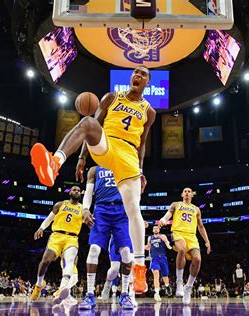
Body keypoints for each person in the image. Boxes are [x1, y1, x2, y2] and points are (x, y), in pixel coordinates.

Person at [30, 66, 156, 294]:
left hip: (128, 155)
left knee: (133, 209)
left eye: (143, 74)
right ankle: (55, 163)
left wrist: (141, 169)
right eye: (135, 72)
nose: (138, 75)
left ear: (148, 82)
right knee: (87, 121)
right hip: (106, 145)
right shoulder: (111, 97)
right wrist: (81, 157)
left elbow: (143, 142)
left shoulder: (150, 111)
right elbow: (93, 125)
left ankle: (139, 267)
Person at [78, 166, 135, 310]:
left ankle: (125, 294)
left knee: (126, 253)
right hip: (101, 210)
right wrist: (85, 209)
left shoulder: (124, 164)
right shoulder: (94, 170)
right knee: (94, 250)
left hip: (122, 210)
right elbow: (89, 193)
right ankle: (90, 294)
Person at [158, 187, 211, 304]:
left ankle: (188, 287)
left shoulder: (196, 209)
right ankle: (179, 282)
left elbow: (201, 227)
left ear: (192, 195)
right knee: (181, 249)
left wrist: (207, 241)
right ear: (182, 194)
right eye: (185, 191)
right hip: (178, 232)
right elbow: (168, 214)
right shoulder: (176, 204)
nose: (187, 192)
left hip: (192, 236)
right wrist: (163, 220)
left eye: (189, 191)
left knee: (197, 259)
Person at [31, 186, 83, 304]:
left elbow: (89, 220)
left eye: (79, 190)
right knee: (45, 261)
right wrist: (41, 228)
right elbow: (49, 219)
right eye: (74, 189)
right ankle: (39, 285)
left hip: (72, 238)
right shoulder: (60, 204)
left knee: (70, 261)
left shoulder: (82, 209)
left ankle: (62, 288)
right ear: (69, 192)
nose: (77, 191)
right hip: (57, 236)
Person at [145, 226, 172, 301]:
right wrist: (139, 246)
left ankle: (167, 286)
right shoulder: (150, 238)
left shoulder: (162, 236)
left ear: (159, 230)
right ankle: (157, 293)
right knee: (156, 275)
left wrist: (170, 247)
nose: (155, 229)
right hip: (154, 259)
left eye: (157, 228)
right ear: (153, 230)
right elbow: (148, 247)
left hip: (163, 258)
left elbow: (167, 243)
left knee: (165, 277)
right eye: (154, 228)